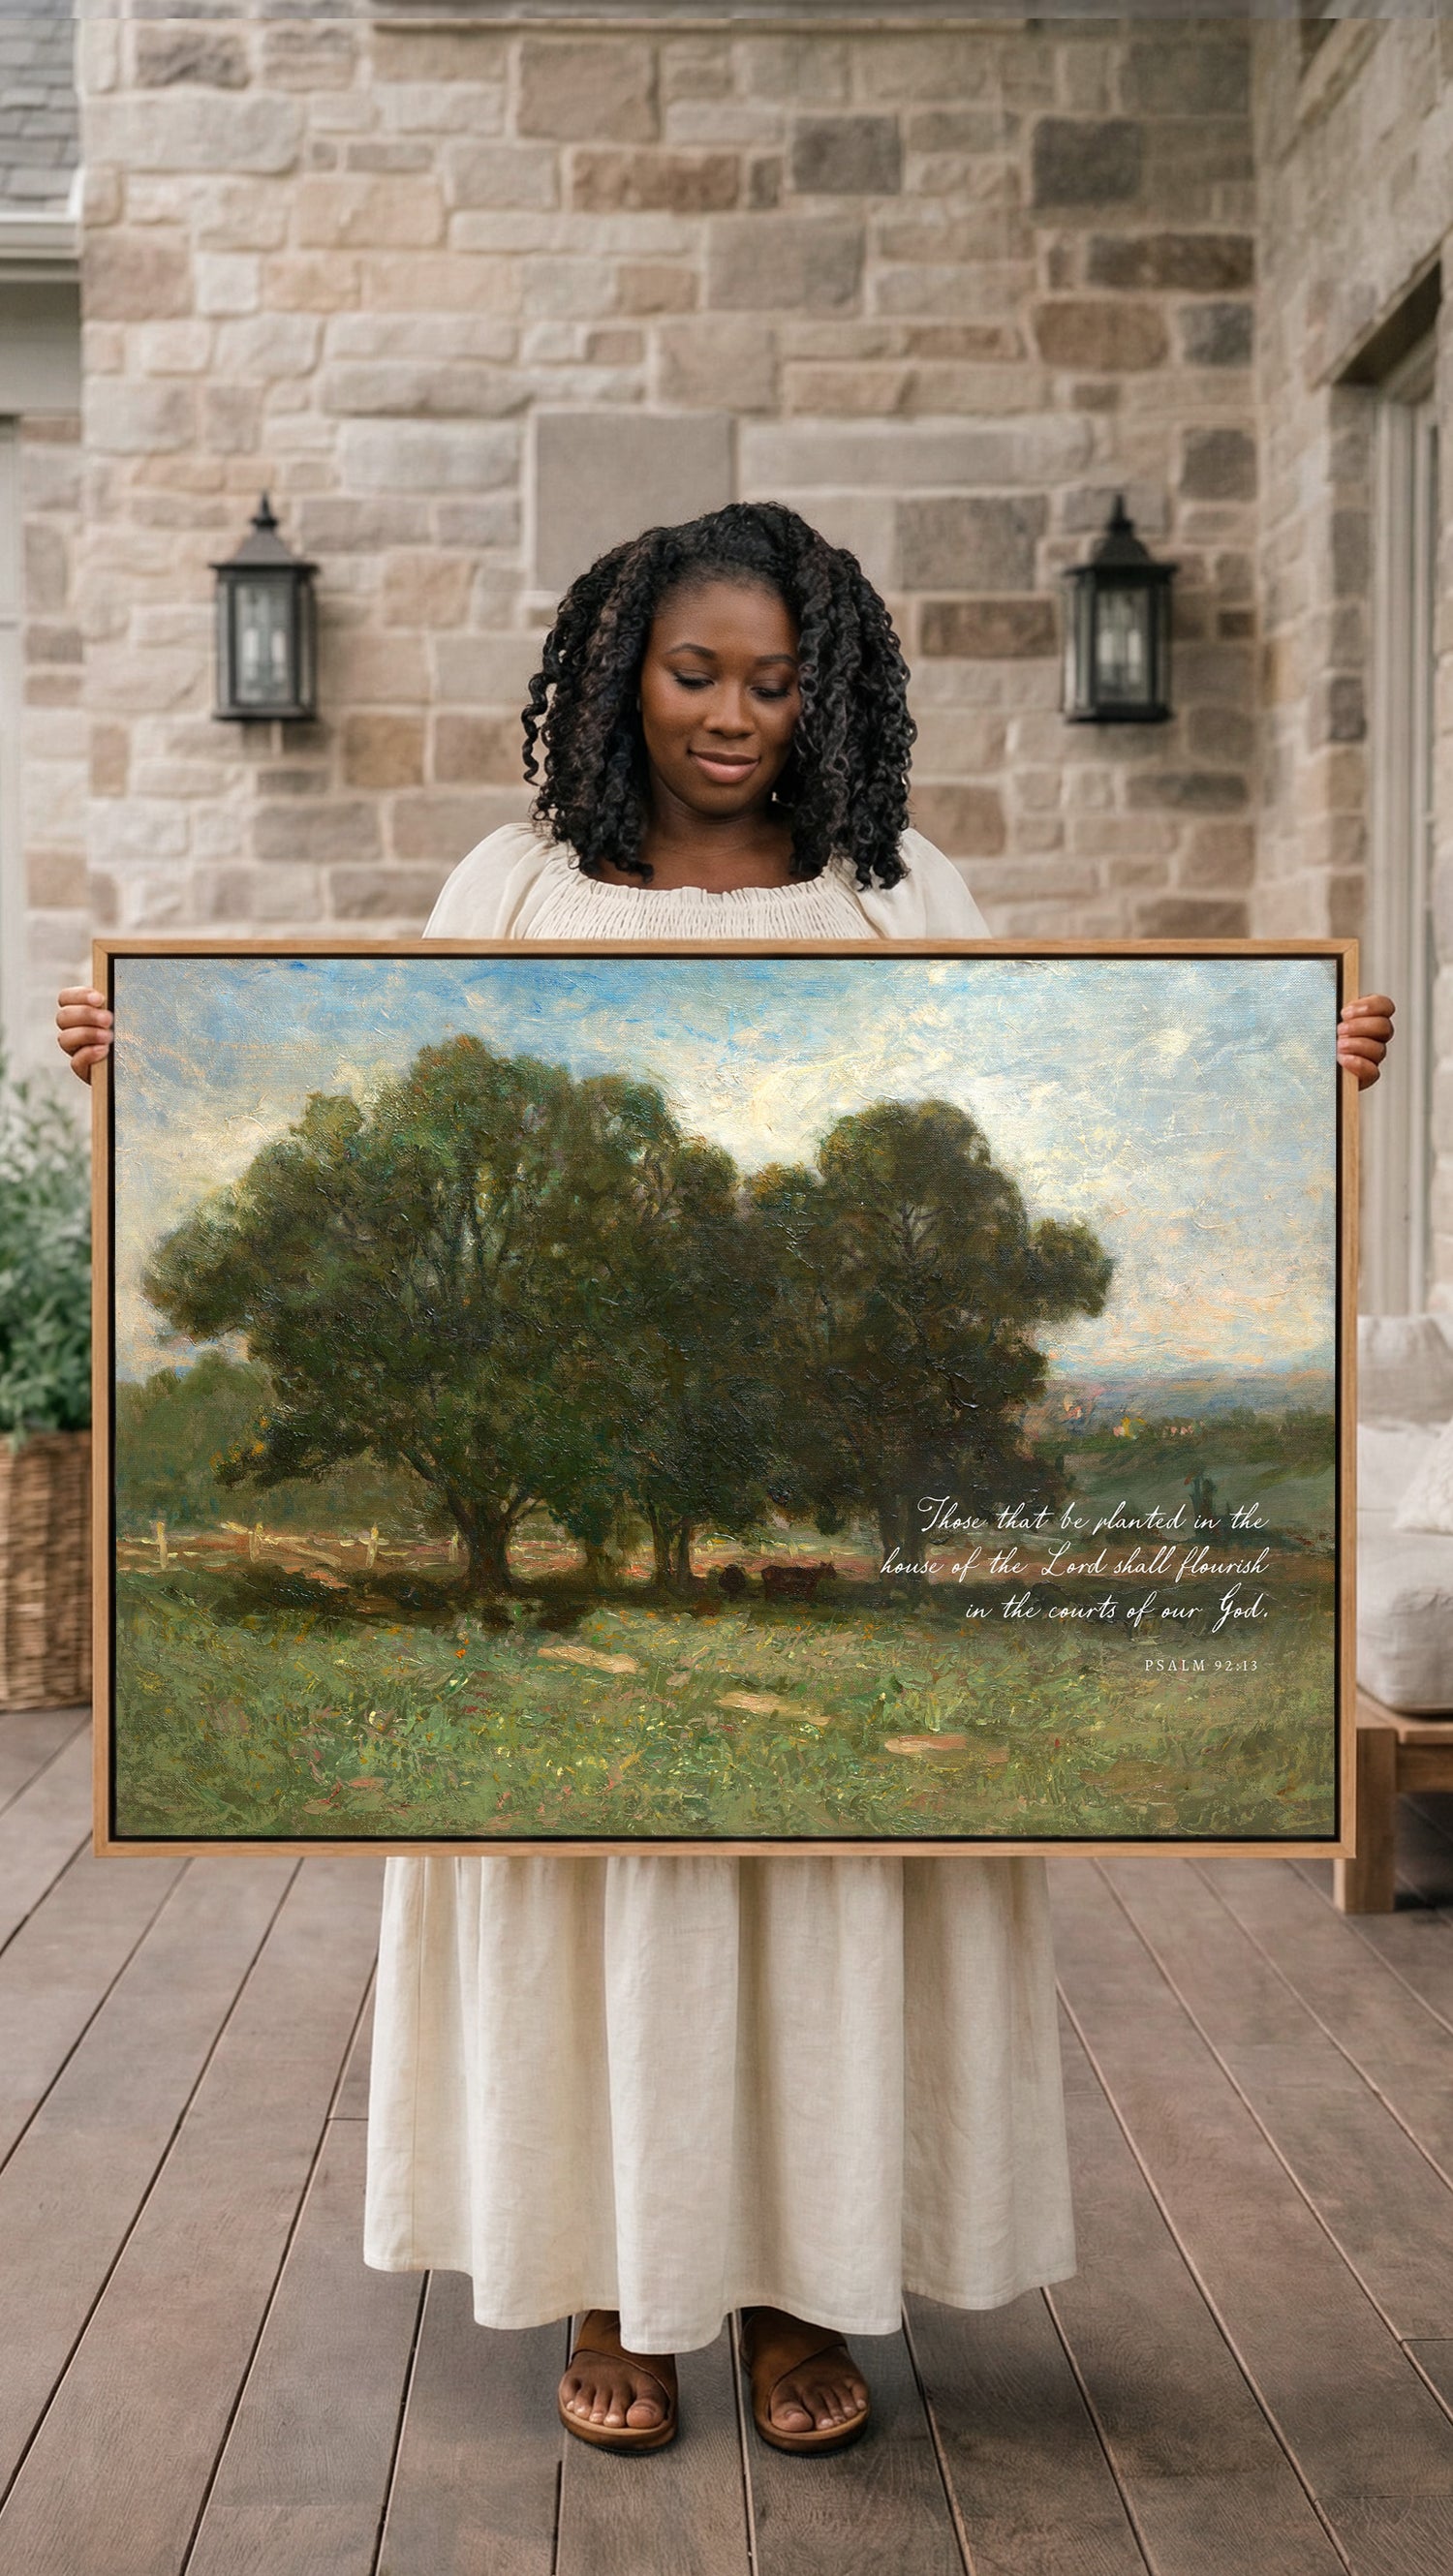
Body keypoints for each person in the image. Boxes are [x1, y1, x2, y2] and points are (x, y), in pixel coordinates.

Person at [59, 500, 1395, 2459]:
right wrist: (143, 1067)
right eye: (699, 673)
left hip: (784, 1442)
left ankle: (794, 2292)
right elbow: (337, 1104)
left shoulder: (894, 893)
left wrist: (1290, 1073)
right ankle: (615, 2276)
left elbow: (1056, 1121)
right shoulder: (508, 893)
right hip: (582, 1441)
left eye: (775, 680)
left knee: (821, 1902)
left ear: (826, 684)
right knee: (597, 1900)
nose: (736, 716)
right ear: (620, 671)